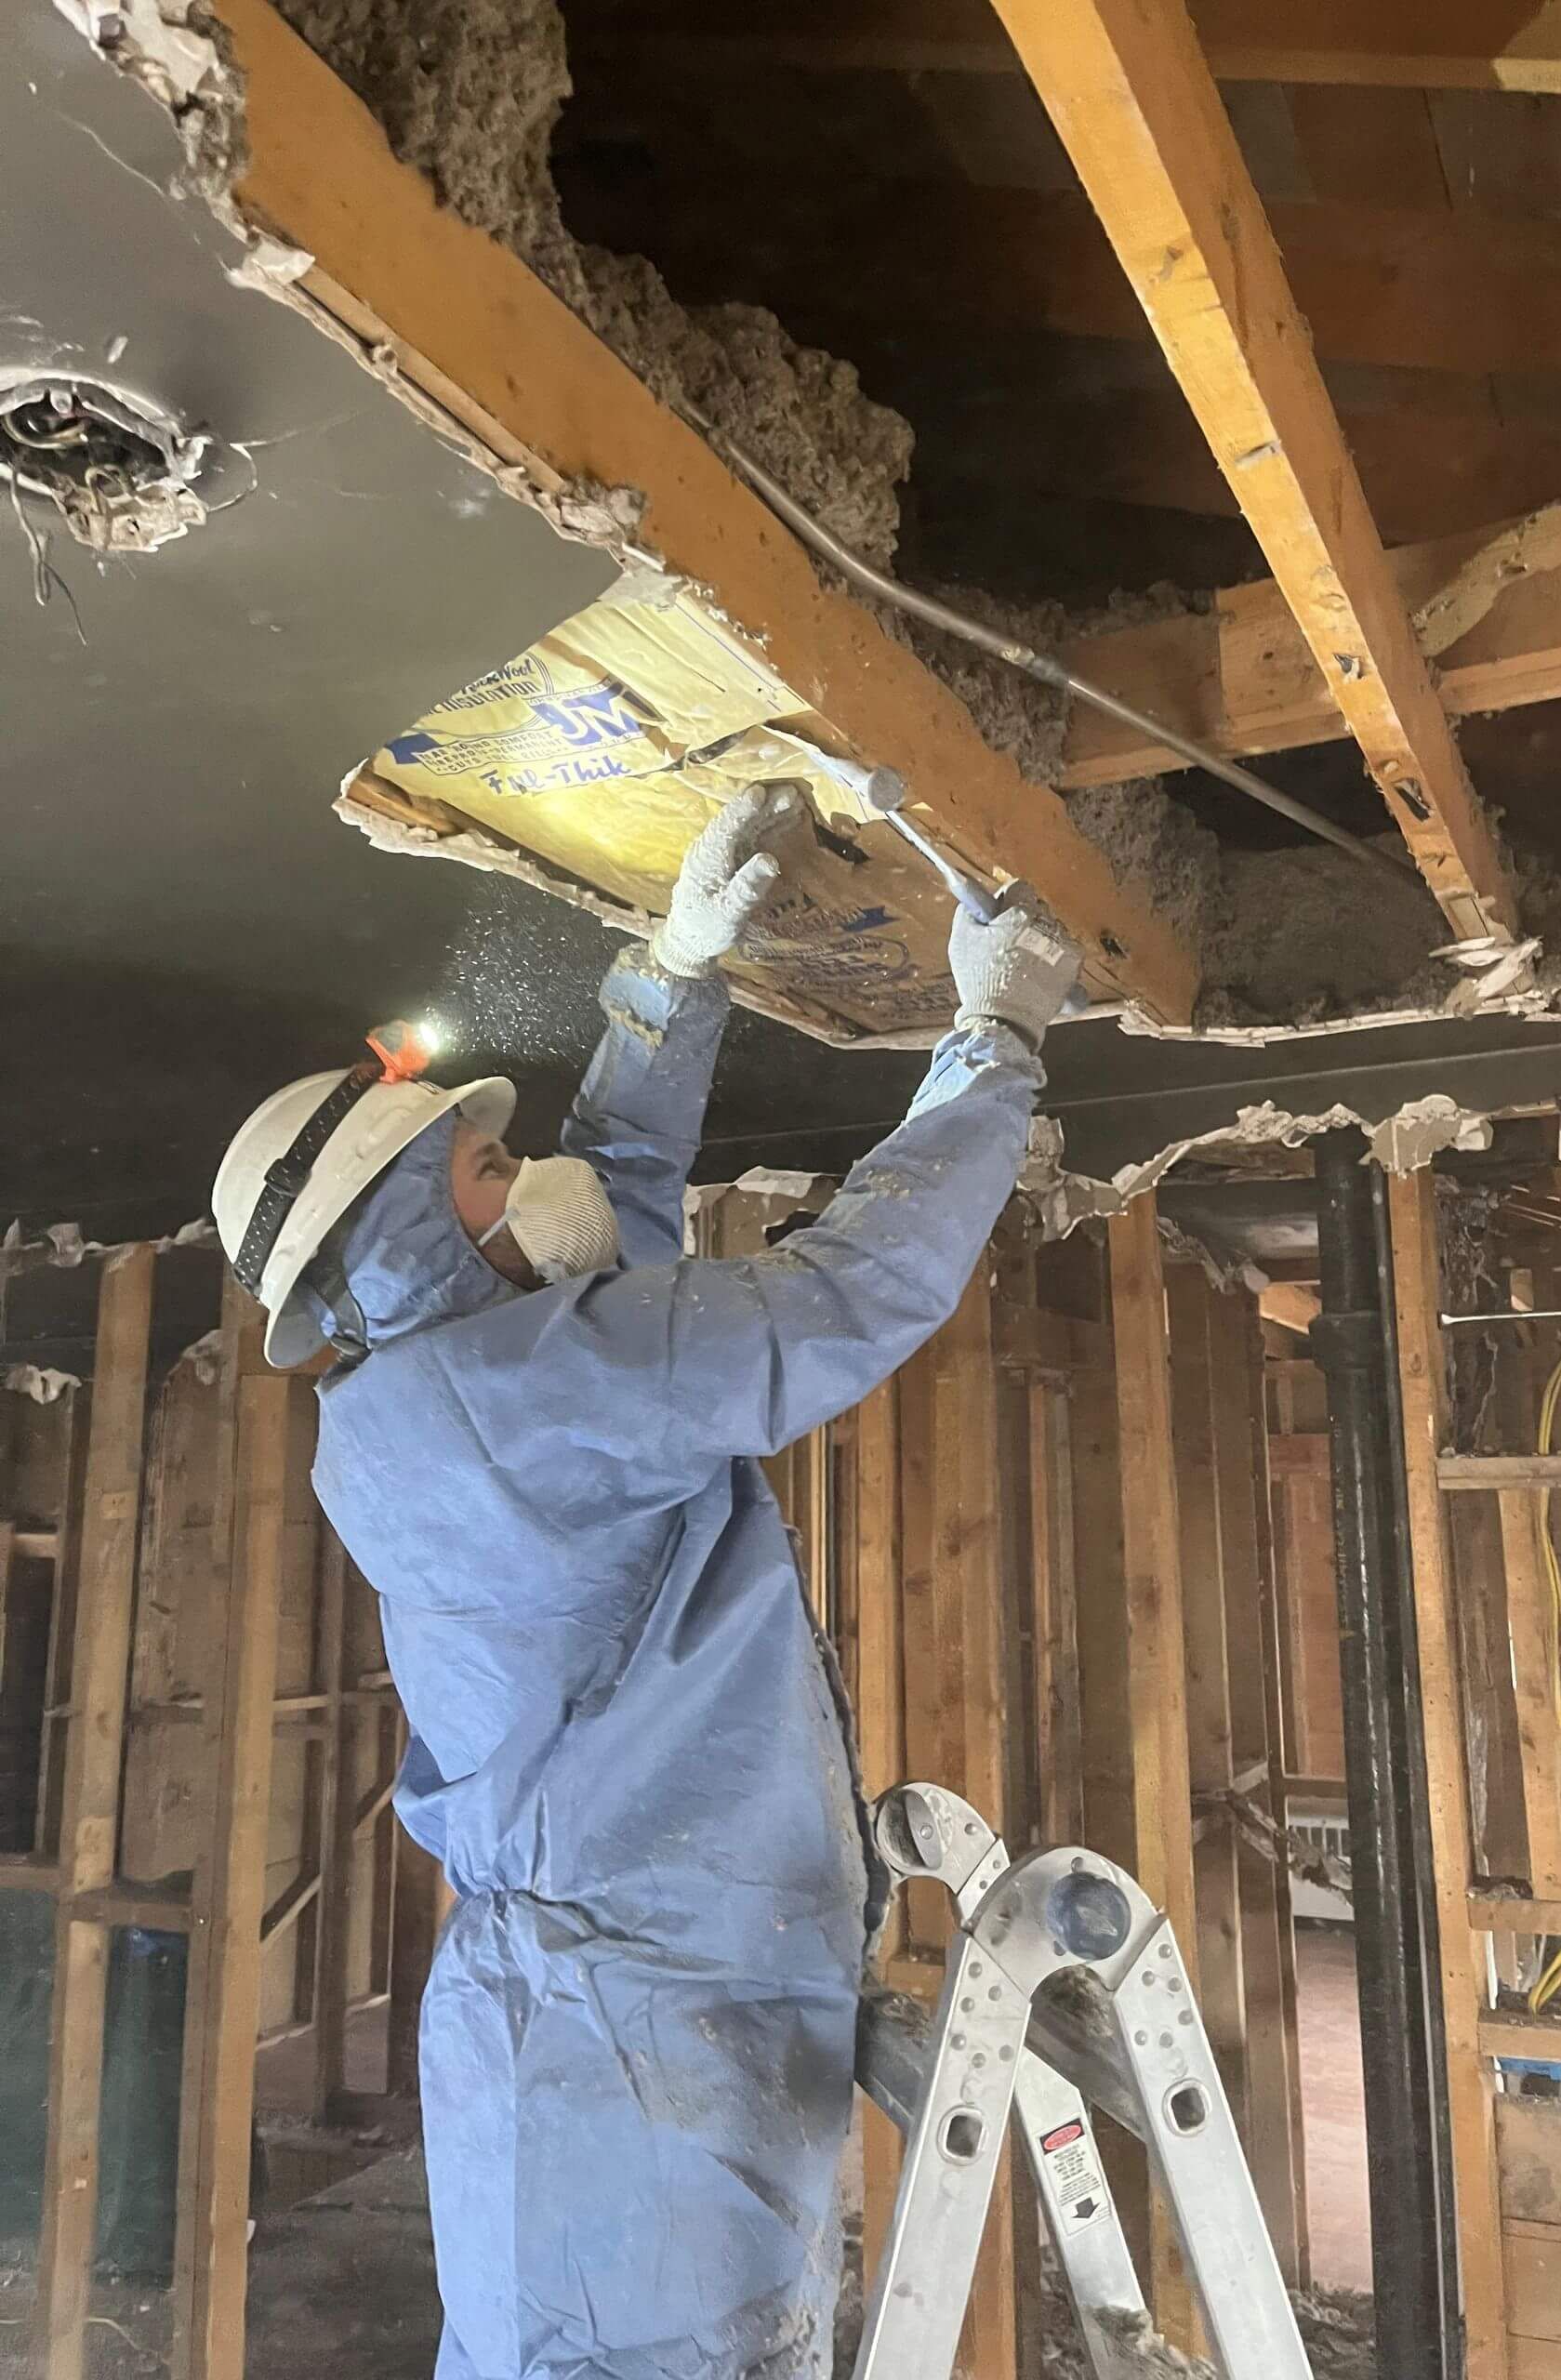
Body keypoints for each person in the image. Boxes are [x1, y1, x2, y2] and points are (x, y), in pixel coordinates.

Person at [212, 784, 1081, 2380]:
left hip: (608, 1997)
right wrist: (994, 1044)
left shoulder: (428, 1384)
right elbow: (842, 1293)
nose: (529, 1166)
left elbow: (606, 1202)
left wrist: (673, 974)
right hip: (634, 2029)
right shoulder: (519, 1400)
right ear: (415, 1233)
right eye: (490, 1162)